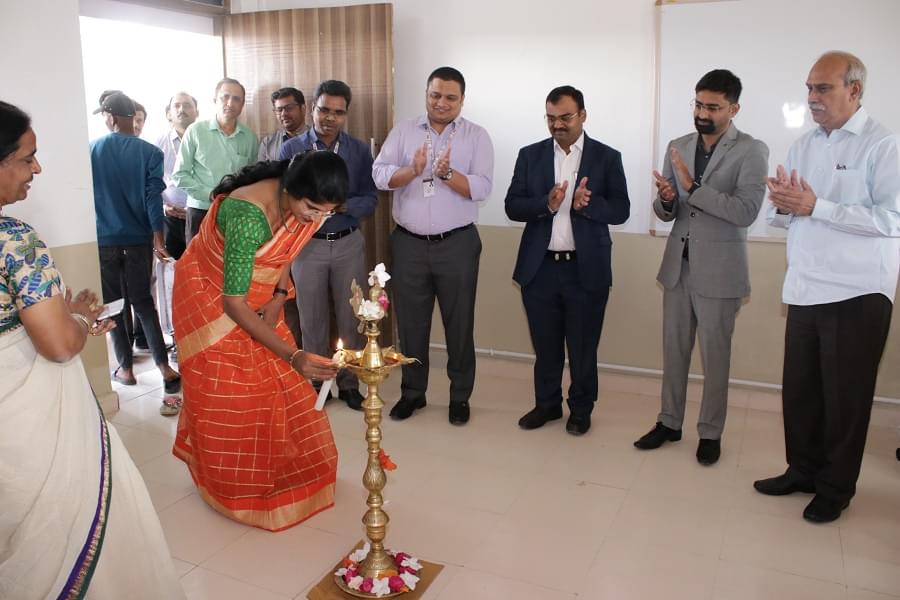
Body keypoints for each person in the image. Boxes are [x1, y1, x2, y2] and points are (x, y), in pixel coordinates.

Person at [0, 100, 185, 599]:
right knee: (63, 521)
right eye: (25, 157)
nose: (36, 168)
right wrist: (80, 317)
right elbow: (59, 345)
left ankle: (126, 367)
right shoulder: (12, 241)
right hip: (24, 410)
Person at [755, 51, 900, 523]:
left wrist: (818, 207)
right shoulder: (803, 145)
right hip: (805, 286)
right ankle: (802, 470)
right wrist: (782, 204)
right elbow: (792, 214)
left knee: (845, 398)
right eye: (809, 88)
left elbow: (892, 219)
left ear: (854, 90)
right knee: (800, 391)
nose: (812, 98)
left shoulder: (883, 145)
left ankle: (836, 489)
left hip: (857, 292)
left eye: (823, 89)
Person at [172, 151, 348, 531]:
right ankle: (232, 486)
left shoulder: (301, 207)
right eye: (313, 208)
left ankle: (278, 470)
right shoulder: (248, 216)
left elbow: (286, 247)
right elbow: (232, 303)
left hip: (260, 294)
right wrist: (294, 353)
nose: (317, 219)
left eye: (327, 213)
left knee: (279, 386)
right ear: (290, 189)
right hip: (207, 298)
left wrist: (280, 295)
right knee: (233, 390)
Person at [633, 70, 768, 464]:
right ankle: (669, 422)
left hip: (722, 270)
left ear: (733, 108)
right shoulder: (678, 145)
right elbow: (665, 211)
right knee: (673, 351)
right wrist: (669, 198)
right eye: (698, 104)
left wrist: (695, 190)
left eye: (712, 107)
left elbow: (745, 211)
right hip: (678, 266)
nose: (702, 113)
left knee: (715, 357)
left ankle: (710, 432)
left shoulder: (751, 150)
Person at [505, 85, 630, 436]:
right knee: (545, 347)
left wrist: (587, 205)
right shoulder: (529, 156)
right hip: (539, 268)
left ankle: (581, 408)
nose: (557, 125)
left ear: (583, 116)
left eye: (565, 118)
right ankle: (546, 405)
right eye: (551, 118)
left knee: (582, 347)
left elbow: (621, 210)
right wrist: (546, 203)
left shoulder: (607, 157)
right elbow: (513, 205)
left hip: (584, 268)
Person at [372, 66, 494, 425]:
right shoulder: (404, 130)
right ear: (426, 94)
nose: (442, 103)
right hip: (408, 245)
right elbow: (379, 174)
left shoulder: (476, 136)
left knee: (459, 323)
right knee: (411, 324)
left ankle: (459, 397)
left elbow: (483, 187)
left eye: (450, 97)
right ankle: (413, 393)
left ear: (462, 100)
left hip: (457, 244)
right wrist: (412, 170)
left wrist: (446, 175)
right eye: (435, 95)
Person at [279, 80, 378, 411]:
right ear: (312, 109)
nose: (330, 118)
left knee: (351, 317)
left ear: (346, 115)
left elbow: (371, 197)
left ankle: (349, 382)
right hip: (307, 246)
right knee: (312, 319)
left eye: (338, 112)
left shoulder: (359, 151)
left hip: (348, 242)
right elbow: (284, 198)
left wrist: (344, 206)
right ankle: (317, 382)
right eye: (324, 110)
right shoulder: (292, 150)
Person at [89, 90, 181, 396]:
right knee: (143, 303)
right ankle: (164, 368)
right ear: (131, 118)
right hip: (139, 241)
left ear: (111, 118)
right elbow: (152, 199)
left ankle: (125, 369)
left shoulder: (91, 151)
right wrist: (158, 239)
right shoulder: (150, 154)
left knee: (114, 306)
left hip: (104, 242)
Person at [174, 77, 258, 243]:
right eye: (224, 97)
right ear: (215, 100)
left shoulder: (250, 138)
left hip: (235, 214)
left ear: (242, 105)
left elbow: (252, 179)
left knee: (230, 266)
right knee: (198, 266)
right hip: (200, 212)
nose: (230, 103)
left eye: (236, 99)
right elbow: (180, 175)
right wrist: (211, 194)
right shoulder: (196, 131)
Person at [155, 92, 199, 260]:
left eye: (187, 105)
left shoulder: (206, 140)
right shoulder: (158, 143)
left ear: (197, 112)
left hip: (198, 215)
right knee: (172, 271)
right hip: (169, 219)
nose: (182, 110)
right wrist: (163, 208)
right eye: (177, 105)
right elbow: (151, 183)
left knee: (198, 269)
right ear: (168, 113)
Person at [260, 86, 307, 161]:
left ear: (303, 109)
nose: (283, 114)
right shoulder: (268, 143)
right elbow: (260, 172)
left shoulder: (317, 139)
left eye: (289, 108)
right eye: (279, 110)